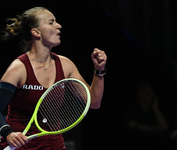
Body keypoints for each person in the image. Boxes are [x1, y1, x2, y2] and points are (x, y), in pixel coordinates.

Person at [0, 7, 107, 150]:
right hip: (19, 147)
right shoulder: (18, 69)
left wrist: (99, 71)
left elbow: (93, 102)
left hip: (55, 146)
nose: (59, 25)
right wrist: (8, 133)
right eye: (51, 22)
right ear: (36, 32)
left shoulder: (65, 65)